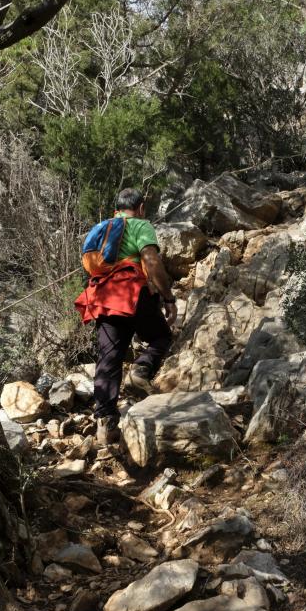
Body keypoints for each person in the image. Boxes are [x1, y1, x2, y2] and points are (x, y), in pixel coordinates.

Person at [75, 188, 177, 444]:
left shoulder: (101, 228)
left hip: (102, 298)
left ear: (117, 208)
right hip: (132, 292)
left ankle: (106, 420)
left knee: (109, 358)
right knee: (161, 337)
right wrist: (168, 297)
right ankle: (141, 371)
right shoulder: (141, 225)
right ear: (141, 207)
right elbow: (151, 261)